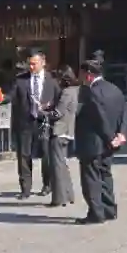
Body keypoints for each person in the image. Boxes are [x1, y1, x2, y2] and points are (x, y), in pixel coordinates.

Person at [73, 57, 127, 225]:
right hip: (110, 143)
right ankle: (109, 209)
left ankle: (96, 213)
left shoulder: (90, 93)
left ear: (88, 75)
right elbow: (124, 112)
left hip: (93, 142)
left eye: (82, 74)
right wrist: (121, 133)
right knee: (105, 175)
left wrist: (109, 137)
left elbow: (99, 119)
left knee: (91, 179)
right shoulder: (115, 90)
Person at [8, 48, 59, 200]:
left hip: (44, 122)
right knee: (24, 155)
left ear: (43, 63)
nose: (31, 67)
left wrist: (52, 110)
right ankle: (25, 189)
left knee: (46, 154)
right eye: (29, 64)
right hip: (25, 122)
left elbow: (59, 99)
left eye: (34, 64)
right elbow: (12, 95)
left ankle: (47, 184)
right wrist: (2, 98)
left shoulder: (52, 80)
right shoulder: (21, 79)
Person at [44, 66, 80, 208]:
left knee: (57, 167)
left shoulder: (66, 92)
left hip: (60, 130)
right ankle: (68, 194)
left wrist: (44, 113)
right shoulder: (75, 91)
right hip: (68, 131)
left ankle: (59, 198)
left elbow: (58, 113)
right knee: (63, 165)